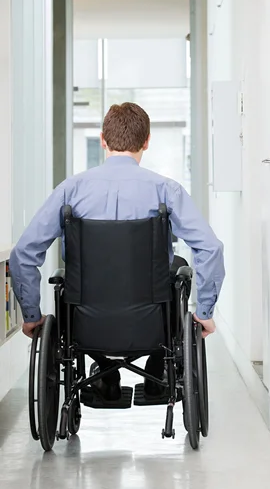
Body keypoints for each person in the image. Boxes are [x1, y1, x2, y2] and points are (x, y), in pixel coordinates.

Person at [9, 103, 225, 401]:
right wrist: (204, 311)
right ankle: (158, 367)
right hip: (153, 326)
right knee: (178, 265)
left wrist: (31, 314)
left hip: (84, 326)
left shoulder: (70, 191)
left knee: (74, 273)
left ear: (102, 139)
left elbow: (24, 252)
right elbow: (210, 248)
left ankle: (103, 371)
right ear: (146, 141)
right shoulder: (166, 190)